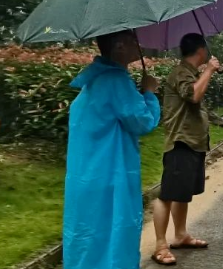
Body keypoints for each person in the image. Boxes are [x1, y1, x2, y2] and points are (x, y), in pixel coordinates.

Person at [63, 30, 161, 269]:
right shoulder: (115, 81)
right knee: (114, 232)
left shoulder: (95, 79)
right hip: (109, 175)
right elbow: (143, 121)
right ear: (118, 46)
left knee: (88, 235)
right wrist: (149, 92)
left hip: (86, 175)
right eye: (132, 41)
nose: (138, 45)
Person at [152, 33, 221, 265]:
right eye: (206, 50)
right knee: (168, 194)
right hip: (180, 142)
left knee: (183, 193)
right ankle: (160, 245)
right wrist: (209, 70)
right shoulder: (181, 72)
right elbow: (193, 95)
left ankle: (180, 235)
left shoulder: (190, 73)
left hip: (193, 142)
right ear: (201, 51)